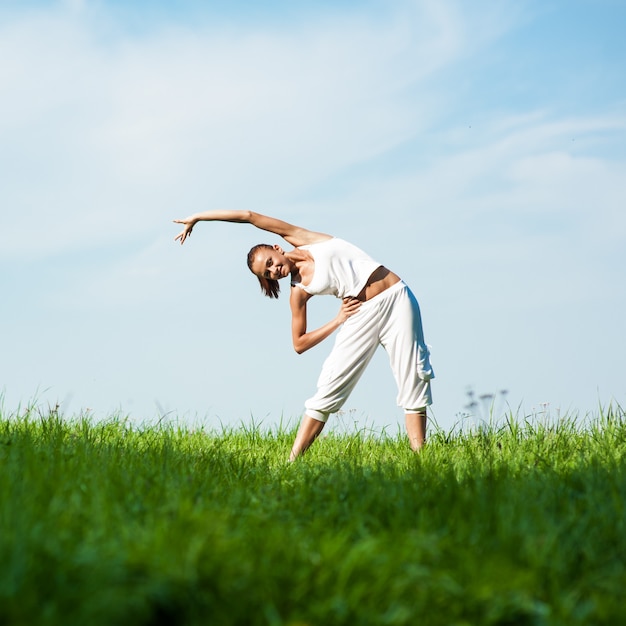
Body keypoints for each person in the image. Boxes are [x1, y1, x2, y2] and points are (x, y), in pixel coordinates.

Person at [173, 210, 434, 460]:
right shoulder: (298, 292)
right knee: (329, 388)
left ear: (277, 248)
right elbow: (298, 343)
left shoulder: (304, 238)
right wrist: (338, 320)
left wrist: (198, 217)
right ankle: (292, 462)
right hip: (359, 314)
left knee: (414, 376)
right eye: (267, 273)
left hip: (397, 298)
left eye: (270, 263)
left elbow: (249, 217)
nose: (273, 270)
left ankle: (421, 459)